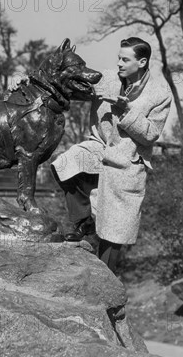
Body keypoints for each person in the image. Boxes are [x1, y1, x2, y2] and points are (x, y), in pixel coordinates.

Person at [51, 37, 171, 272]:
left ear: (142, 62)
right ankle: (83, 221)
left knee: (112, 235)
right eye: (118, 58)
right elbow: (72, 88)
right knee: (65, 162)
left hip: (127, 164)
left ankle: (106, 291)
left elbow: (150, 135)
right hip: (98, 149)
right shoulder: (105, 79)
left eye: (125, 59)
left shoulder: (160, 93)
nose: (119, 63)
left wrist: (126, 111)